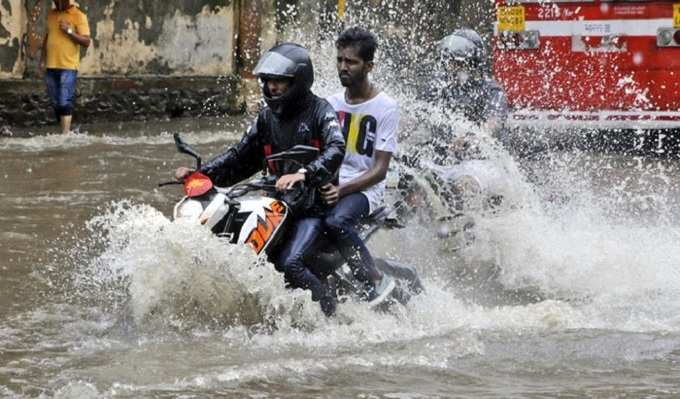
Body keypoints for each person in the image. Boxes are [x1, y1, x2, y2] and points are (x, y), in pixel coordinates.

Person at [174, 43, 346, 317]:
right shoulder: (266, 118)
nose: (272, 87)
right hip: (276, 207)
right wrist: (201, 174)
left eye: (279, 82)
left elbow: (336, 148)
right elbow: (239, 158)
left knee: (291, 264)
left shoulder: (319, 111)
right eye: (268, 81)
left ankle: (334, 317)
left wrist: (303, 174)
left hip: (310, 209)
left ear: (298, 81)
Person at [322, 27, 399, 305]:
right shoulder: (329, 103)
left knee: (336, 221)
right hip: (331, 183)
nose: (343, 67)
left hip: (365, 189)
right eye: (340, 60)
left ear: (369, 66)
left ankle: (374, 279)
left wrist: (341, 190)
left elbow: (380, 170)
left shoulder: (386, 107)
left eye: (351, 62)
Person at [41, 0, 91, 135]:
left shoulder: (79, 15)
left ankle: (65, 134)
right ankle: (66, 129)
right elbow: (48, 35)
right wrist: (42, 59)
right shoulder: (51, 14)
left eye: (59, 1)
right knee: (55, 101)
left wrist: (68, 31)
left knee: (63, 101)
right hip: (51, 64)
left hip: (68, 65)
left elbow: (86, 41)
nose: (56, 3)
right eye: (55, 1)